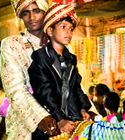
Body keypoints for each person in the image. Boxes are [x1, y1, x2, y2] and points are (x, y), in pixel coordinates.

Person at [28, 3, 91, 134]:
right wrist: (60, 119)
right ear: (50, 31)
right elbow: (45, 92)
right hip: (50, 121)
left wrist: (83, 108)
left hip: (73, 118)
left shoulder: (71, 59)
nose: (68, 32)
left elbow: (76, 87)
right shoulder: (41, 59)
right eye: (63, 27)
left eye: (71, 28)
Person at [0, 0, 59, 139]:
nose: (32, 18)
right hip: (26, 124)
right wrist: (40, 116)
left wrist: (86, 109)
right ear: (20, 17)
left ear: (46, 13)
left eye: (37, 11)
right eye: (26, 13)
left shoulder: (58, 44)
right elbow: (15, 89)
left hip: (60, 121)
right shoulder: (11, 44)